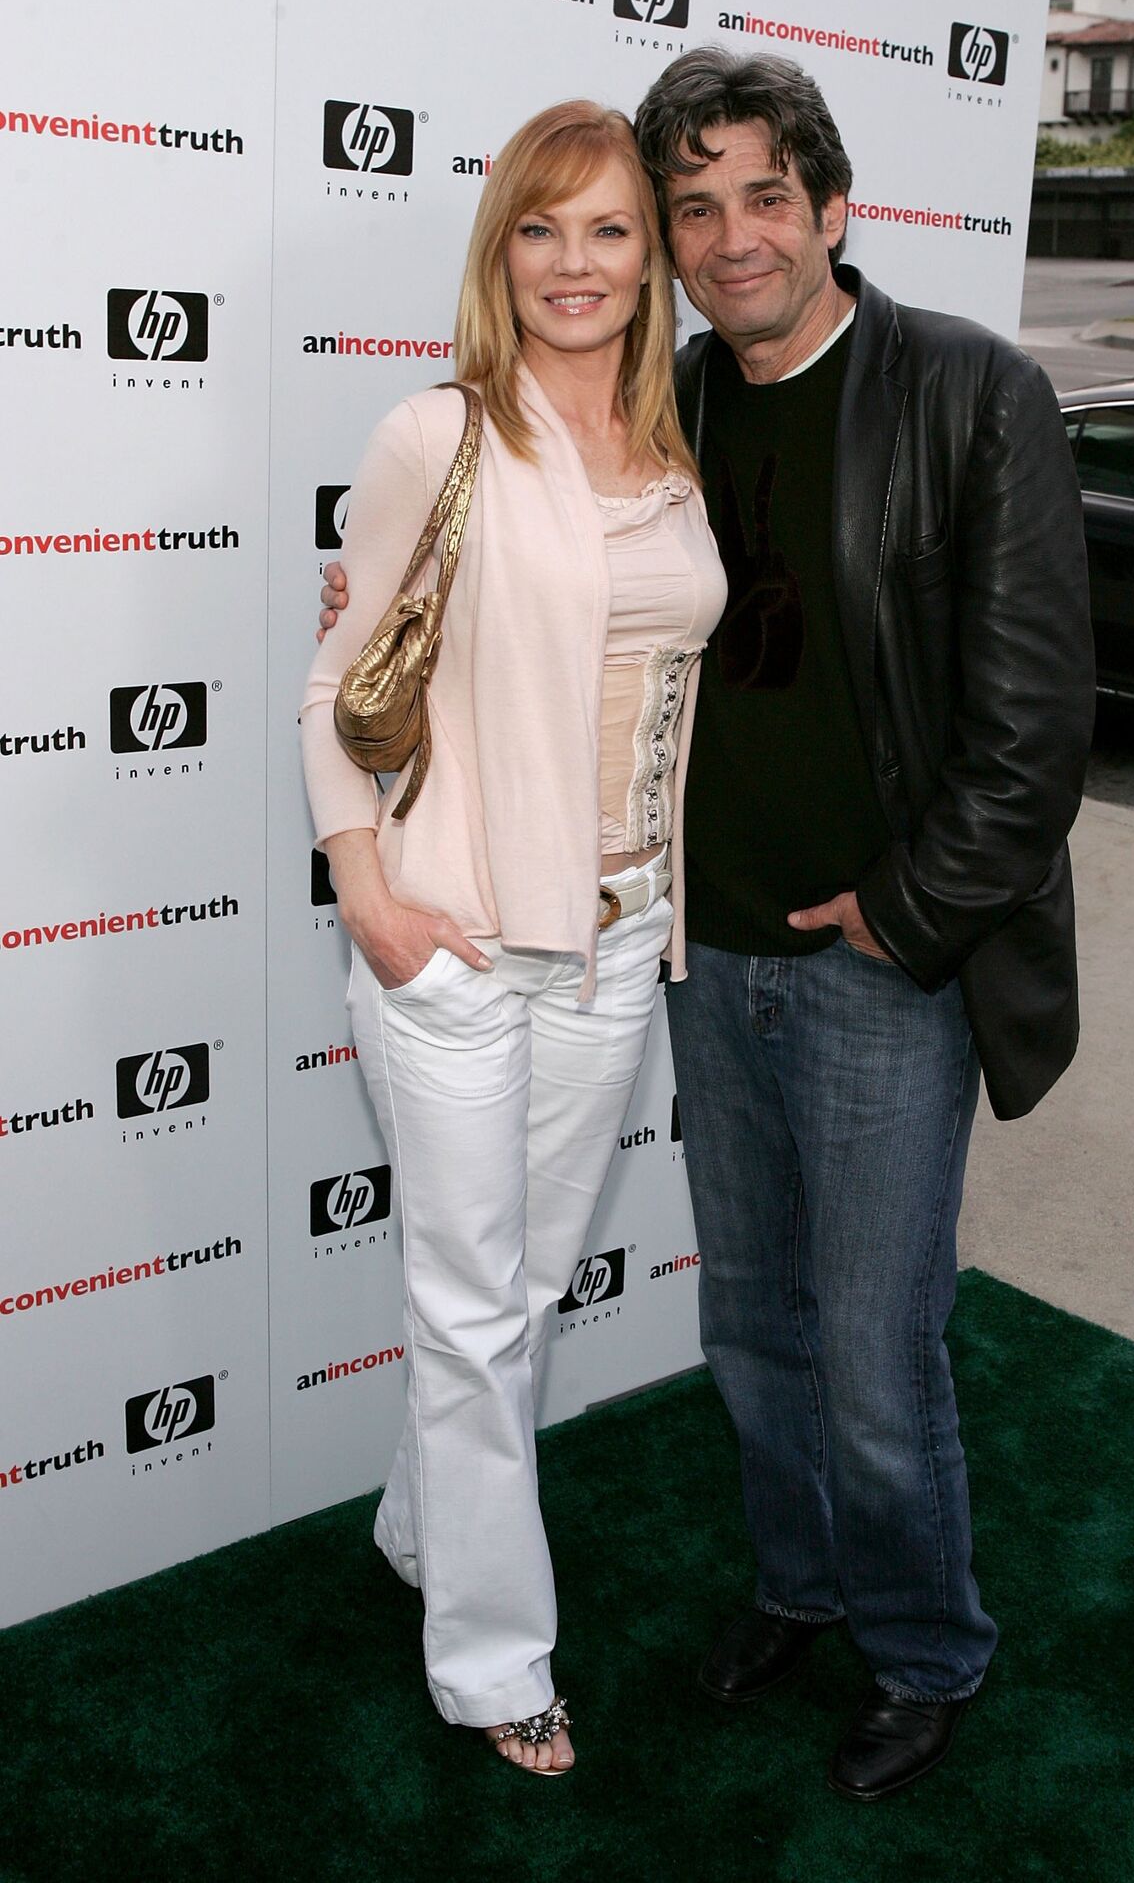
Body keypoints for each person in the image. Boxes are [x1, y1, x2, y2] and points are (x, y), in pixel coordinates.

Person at [321, 50, 1095, 1801]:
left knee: (876, 1347)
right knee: (745, 1322)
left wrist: (906, 915)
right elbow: (432, 637)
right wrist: (367, 777)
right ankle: (794, 1588)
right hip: (685, 948)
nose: (725, 236)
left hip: (872, 960)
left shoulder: (967, 393)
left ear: (832, 210)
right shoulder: (637, 407)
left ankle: (919, 1652)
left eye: (762, 197)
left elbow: (1035, 727)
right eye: (692, 205)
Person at [302, 100, 726, 1777]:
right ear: (500, 254)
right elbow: (339, 683)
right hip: (462, 939)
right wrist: (370, 893)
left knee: (523, 1294)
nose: (575, 264)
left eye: (609, 229)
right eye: (539, 230)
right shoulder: (441, 436)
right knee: (474, 1313)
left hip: (621, 935)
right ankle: (493, 1664)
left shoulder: (674, 445)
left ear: (652, 258)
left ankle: (423, 1530)